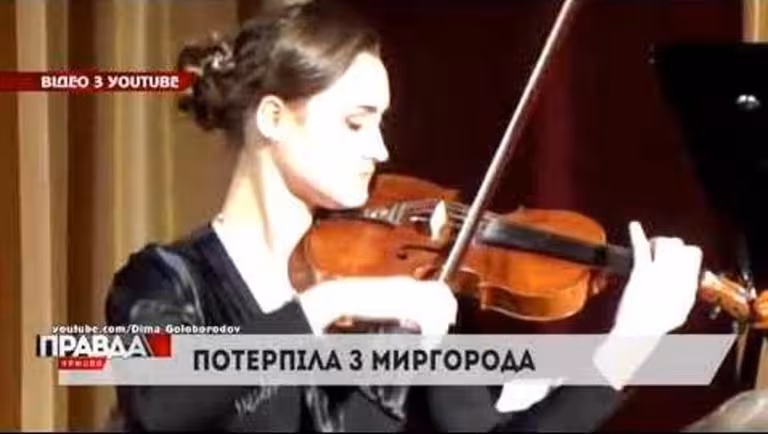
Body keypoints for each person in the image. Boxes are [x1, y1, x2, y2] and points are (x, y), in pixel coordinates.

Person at [105, 0, 705, 431]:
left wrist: (625, 349)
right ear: (272, 119)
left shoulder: (399, 299)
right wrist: (328, 304)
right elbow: (162, 399)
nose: (381, 149)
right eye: (355, 123)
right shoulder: (164, 281)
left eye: (381, 123)